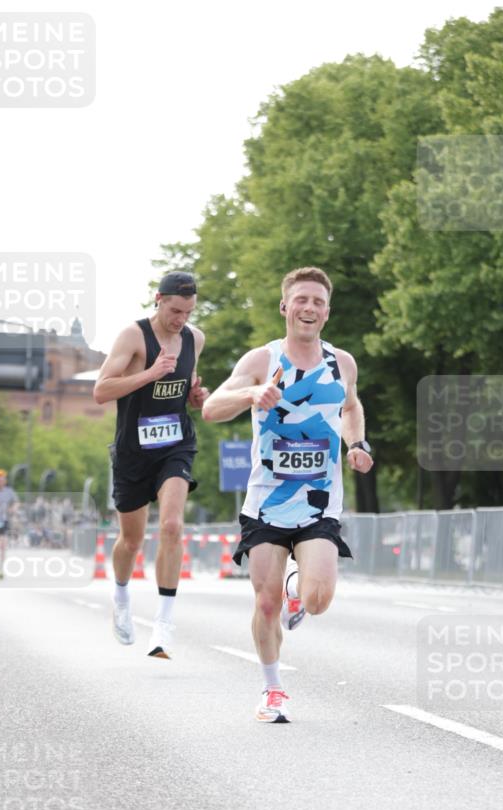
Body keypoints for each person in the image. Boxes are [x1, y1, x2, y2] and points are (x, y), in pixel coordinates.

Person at [202, 266, 373, 722]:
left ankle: (300, 590)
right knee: (264, 601)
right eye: (301, 300)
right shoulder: (262, 359)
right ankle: (272, 690)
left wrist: (356, 445)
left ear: (327, 312)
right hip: (266, 502)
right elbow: (211, 407)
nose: (309, 308)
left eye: (318, 301)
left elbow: (351, 406)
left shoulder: (342, 363)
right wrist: (252, 394)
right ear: (285, 307)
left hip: (318, 500)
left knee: (318, 600)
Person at [94, 271, 209, 658]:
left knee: (173, 525)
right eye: (176, 310)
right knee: (131, 540)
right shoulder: (133, 336)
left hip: (176, 444)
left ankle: (163, 625)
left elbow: (185, 388)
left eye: (189, 312)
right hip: (132, 451)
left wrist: (196, 396)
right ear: (158, 299)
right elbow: (101, 390)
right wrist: (150, 374)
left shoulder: (195, 338)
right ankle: (122, 597)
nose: (181, 319)